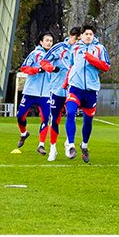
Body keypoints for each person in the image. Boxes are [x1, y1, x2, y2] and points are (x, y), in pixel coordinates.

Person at [64, 23, 110, 164]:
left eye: (91, 34)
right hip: (75, 88)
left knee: (88, 120)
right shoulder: (75, 48)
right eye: (86, 34)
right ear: (81, 36)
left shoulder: (100, 49)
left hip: (91, 90)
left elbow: (106, 66)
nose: (88, 36)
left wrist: (91, 58)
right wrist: (67, 82)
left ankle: (84, 145)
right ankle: (71, 145)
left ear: (93, 36)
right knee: (70, 112)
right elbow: (72, 65)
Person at [15, 31, 55, 155]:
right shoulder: (35, 54)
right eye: (47, 40)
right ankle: (24, 133)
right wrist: (37, 70)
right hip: (31, 91)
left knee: (45, 118)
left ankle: (41, 145)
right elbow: (24, 68)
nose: (49, 42)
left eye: (51, 41)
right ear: (41, 42)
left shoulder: (54, 56)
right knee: (20, 116)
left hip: (46, 94)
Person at [46, 26, 78, 162]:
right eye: (76, 38)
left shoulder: (81, 50)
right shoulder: (59, 48)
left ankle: (69, 143)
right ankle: (53, 147)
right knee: (55, 119)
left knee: (72, 116)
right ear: (71, 36)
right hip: (57, 89)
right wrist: (52, 68)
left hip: (74, 89)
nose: (77, 41)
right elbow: (44, 61)